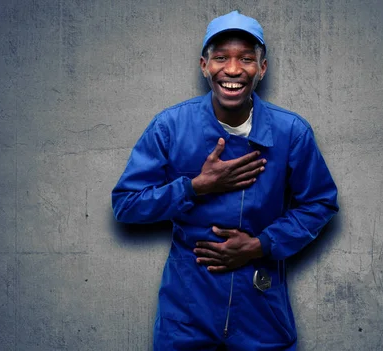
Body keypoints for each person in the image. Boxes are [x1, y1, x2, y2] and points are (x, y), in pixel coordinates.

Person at [112, 10, 339, 351]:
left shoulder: (291, 132)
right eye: (221, 58)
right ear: (204, 65)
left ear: (262, 68)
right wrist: (196, 187)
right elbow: (126, 204)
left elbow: (320, 203)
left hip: (260, 307)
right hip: (188, 307)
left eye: (246, 59)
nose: (232, 70)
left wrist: (260, 245)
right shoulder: (170, 127)